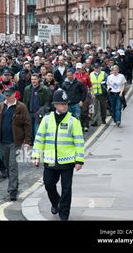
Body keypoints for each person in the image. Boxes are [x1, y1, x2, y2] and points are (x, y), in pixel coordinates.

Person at [32, 89, 85, 221]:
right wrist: (36, 155)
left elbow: (79, 142)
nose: (65, 106)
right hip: (50, 159)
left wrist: (79, 160)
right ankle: (56, 203)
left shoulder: (74, 121)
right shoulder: (46, 119)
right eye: (62, 104)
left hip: (67, 160)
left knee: (66, 189)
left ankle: (64, 215)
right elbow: (39, 138)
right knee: (48, 184)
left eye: (66, 104)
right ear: (55, 105)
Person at [0, 87, 32, 201]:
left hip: (16, 142)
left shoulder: (21, 107)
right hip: (3, 142)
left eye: (9, 95)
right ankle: (14, 183)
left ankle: (12, 190)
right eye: (6, 95)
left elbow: (27, 124)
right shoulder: (1, 106)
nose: (7, 97)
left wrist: (27, 141)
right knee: (7, 166)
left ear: (15, 94)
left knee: (12, 165)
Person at [23, 74, 52, 139]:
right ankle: (31, 145)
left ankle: (37, 146)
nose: (33, 81)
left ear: (38, 79)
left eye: (35, 79)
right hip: (29, 113)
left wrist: (42, 111)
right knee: (29, 132)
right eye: (32, 79)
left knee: (37, 132)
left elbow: (47, 102)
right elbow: (24, 101)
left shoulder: (44, 89)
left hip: (39, 114)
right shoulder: (27, 89)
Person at [74, 63, 92, 132]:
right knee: (79, 111)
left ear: (82, 68)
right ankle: (80, 125)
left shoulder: (86, 75)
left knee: (85, 110)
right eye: (77, 68)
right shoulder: (74, 75)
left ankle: (86, 125)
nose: (78, 70)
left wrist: (92, 93)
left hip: (85, 95)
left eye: (79, 68)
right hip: (77, 95)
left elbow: (90, 85)